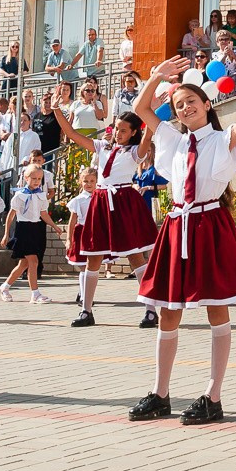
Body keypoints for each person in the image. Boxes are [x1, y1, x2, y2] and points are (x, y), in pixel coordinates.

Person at [126, 56, 236, 427]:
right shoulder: (172, 139)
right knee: (168, 310)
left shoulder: (222, 139)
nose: (185, 107)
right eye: (178, 105)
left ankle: (213, 396)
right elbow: (141, 109)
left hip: (208, 225)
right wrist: (155, 78)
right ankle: (160, 393)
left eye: (191, 101)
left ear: (206, 104)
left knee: (216, 307)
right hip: (177, 225)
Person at [54, 100, 158, 328]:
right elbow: (71, 134)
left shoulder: (135, 152)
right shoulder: (102, 146)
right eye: (117, 128)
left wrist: (149, 110)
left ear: (133, 133)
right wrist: (56, 110)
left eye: (124, 130)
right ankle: (86, 311)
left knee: (135, 256)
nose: (118, 133)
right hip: (101, 201)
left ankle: (151, 310)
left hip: (122, 201)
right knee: (93, 256)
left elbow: (149, 135)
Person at [0, 164, 52, 305]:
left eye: (39, 179)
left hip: (36, 229)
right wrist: (6, 234)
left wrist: (55, 226)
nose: (36, 181)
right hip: (23, 229)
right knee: (34, 261)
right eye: (33, 178)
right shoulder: (20, 195)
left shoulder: (41, 195)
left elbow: (43, 214)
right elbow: (11, 215)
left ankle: (5, 287)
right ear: (26, 178)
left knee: (24, 264)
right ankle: (35, 294)